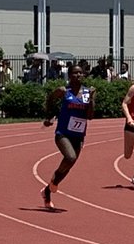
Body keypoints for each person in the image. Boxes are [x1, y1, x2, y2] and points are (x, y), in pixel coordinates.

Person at [41, 65, 95, 210]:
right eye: (75, 73)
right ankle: (52, 185)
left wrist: (90, 101)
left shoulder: (86, 92)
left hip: (79, 135)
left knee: (68, 166)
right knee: (70, 157)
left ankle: (48, 190)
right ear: (69, 75)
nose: (78, 75)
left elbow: (89, 117)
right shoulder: (64, 91)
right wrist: (49, 116)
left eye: (80, 73)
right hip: (63, 133)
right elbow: (50, 99)